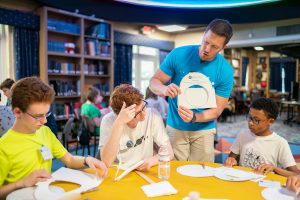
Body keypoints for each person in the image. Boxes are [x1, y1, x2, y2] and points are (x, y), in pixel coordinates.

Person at [0, 77, 107, 198]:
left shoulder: (45, 132)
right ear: (18, 112)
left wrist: (86, 160)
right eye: (38, 116)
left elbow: (69, 160)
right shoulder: (3, 147)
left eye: (46, 114)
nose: (44, 120)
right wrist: (22, 183)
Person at [149, 19, 234, 162]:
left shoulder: (225, 71)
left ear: (223, 47)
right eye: (206, 42)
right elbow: (153, 82)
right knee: (175, 174)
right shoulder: (178, 54)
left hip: (204, 129)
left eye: (214, 46)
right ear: (204, 34)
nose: (207, 49)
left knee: (201, 176)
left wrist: (195, 117)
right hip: (175, 126)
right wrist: (164, 89)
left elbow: (217, 110)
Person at [99, 84, 174, 171]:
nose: (144, 115)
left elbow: (169, 152)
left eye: (143, 107)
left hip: (145, 170)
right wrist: (119, 123)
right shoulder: (108, 121)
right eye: (137, 113)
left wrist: (152, 160)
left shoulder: (153, 115)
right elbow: (106, 162)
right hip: (118, 171)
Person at [224, 97, 299, 177]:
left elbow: (296, 174)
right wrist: (232, 161)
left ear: (270, 121)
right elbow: (232, 158)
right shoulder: (243, 135)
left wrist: (274, 169)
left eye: (256, 120)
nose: (250, 123)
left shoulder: (280, 143)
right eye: (249, 117)